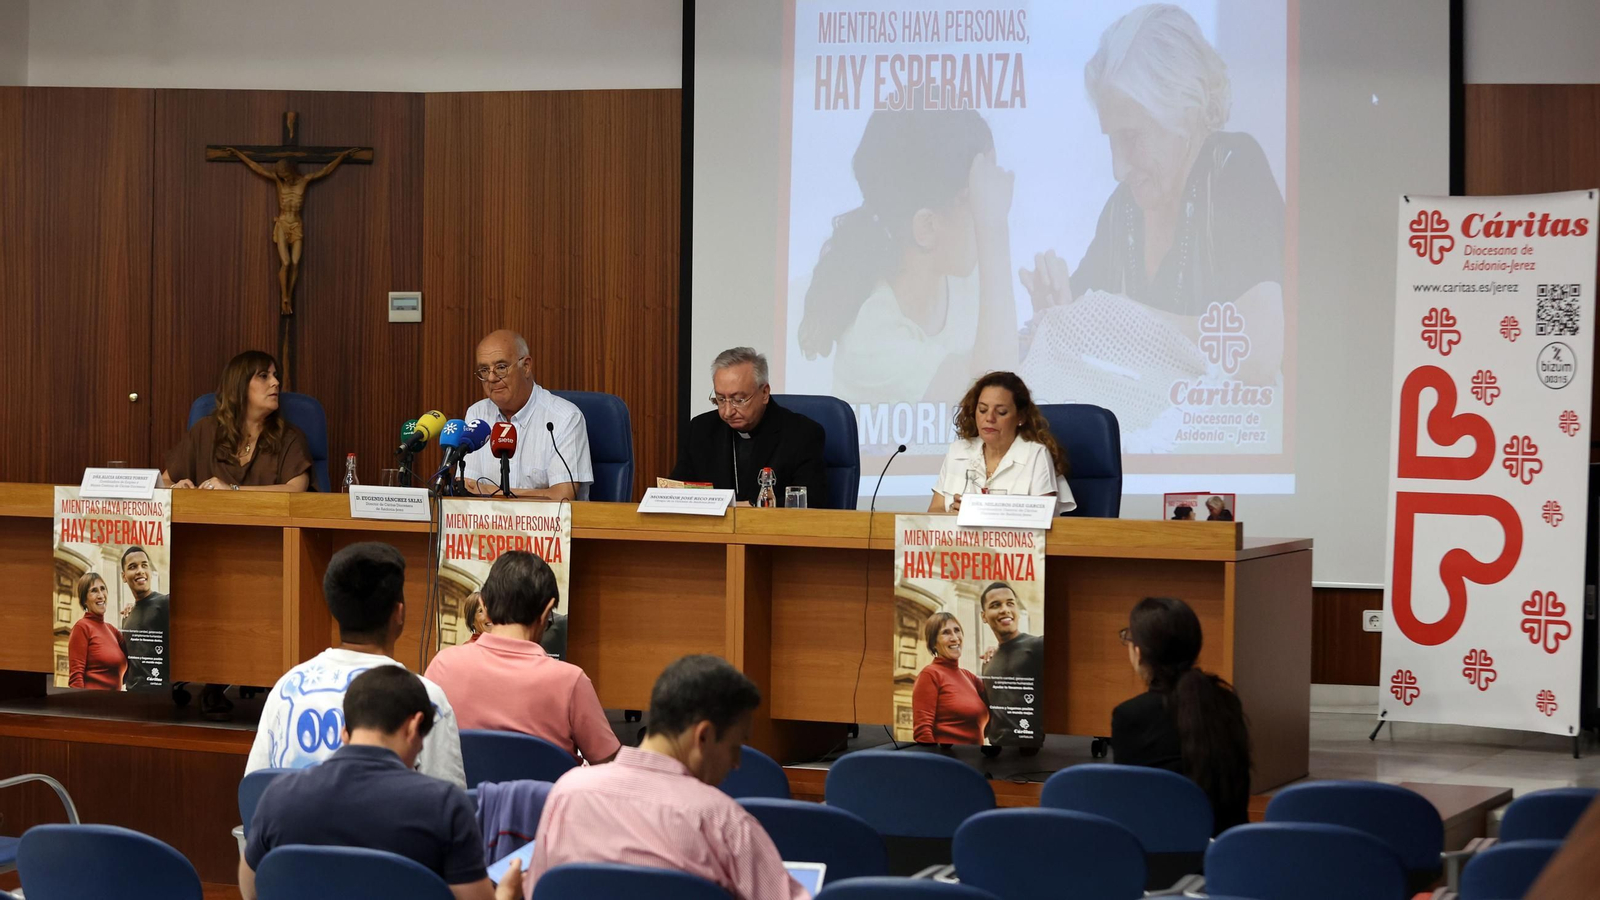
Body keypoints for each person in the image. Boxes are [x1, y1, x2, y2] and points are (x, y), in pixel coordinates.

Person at [1018, 4, 1285, 386]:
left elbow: (1259, 349)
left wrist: (1123, 323)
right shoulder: (1123, 208)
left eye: (1131, 138)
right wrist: (1059, 318)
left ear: (1183, 112)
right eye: (1112, 140)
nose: (1118, 169)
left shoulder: (1230, 166)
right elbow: (1087, 334)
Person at [529, 655, 807, 900]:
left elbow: (538, 891)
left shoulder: (566, 793)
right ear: (704, 736)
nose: (736, 763)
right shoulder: (726, 824)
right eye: (735, 747)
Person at [239, 666, 522, 900]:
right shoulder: (446, 806)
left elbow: (251, 891)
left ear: (345, 733)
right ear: (414, 727)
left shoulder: (278, 796)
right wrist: (506, 895)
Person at [798, 107, 1019, 403]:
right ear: (927, 226)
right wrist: (994, 227)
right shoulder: (872, 339)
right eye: (977, 197)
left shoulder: (960, 275)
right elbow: (996, 399)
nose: (995, 202)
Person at [247, 541, 466, 787]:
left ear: (334, 609)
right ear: (399, 613)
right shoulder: (427, 698)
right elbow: (449, 810)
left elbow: (255, 793)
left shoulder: (287, 689)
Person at [426, 552, 619, 763]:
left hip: (461, 797)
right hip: (544, 797)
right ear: (547, 612)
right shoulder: (571, 682)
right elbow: (608, 765)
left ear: (484, 603)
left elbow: (422, 751)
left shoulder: (442, 667)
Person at [1112, 596, 1251, 833]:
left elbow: (1131, 804)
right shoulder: (1227, 701)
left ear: (1139, 652)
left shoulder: (1129, 715)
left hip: (1161, 856)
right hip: (1228, 852)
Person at [671, 347, 829, 507]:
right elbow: (676, 493)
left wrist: (752, 507)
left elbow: (811, 502)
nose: (727, 412)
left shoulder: (802, 434)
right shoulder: (701, 430)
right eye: (720, 399)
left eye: (738, 400)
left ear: (765, 392)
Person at [462, 330, 594, 500]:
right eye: (484, 370)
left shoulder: (565, 418)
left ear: (526, 367)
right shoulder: (477, 415)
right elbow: (466, 489)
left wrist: (489, 490)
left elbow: (562, 498)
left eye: (501, 367)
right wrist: (541, 493)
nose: (492, 378)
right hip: (488, 525)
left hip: (549, 526)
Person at [162, 350, 313, 492]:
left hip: (265, 520)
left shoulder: (289, 437)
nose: (276, 382)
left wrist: (233, 490)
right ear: (239, 385)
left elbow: (295, 490)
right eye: (263, 376)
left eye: (275, 375)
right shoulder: (205, 430)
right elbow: (165, 482)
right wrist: (177, 487)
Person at [931, 371, 1075, 515]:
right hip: (959, 537)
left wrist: (984, 515)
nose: (989, 418)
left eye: (1001, 412)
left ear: (1021, 417)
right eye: (982, 410)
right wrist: (950, 516)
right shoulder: (958, 450)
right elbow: (933, 512)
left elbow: (1044, 522)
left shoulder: (1036, 455)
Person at [975, 583, 1043, 746]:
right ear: (984, 616)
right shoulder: (988, 662)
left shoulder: (1039, 646)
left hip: (1032, 751)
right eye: (995, 605)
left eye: (1010, 603)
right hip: (996, 751)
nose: (1005, 609)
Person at [910, 612, 987, 745]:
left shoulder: (969, 677)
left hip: (974, 759)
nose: (955, 638)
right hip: (949, 760)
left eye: (957, 630)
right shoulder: (930, 675)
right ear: (933, 643)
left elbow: (998, 706)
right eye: (946, 632)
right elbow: (922, 733)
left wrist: (998, 654)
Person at [118, 546, 169, 691]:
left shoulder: (166, 603)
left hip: (160, 692)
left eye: (144, 565)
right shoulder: (127, 617)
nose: (140, 570)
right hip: (132, 694)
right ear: (124, 576)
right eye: (133, 567)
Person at [67, 572, 126, 690]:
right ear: (84, 600)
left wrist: (134, 611)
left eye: (103, 589)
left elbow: (134, 661)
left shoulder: (112, 630)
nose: (101, 595)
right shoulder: (82, 627)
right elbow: (76, 678)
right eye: (94, 591)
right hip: (93, 704)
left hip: (115, 704)